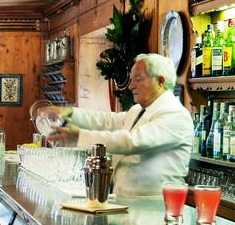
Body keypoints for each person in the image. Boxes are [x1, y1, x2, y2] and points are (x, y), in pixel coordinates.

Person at [47, 52, 192, 197]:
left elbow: (133, 142)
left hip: (155, 205)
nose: (131, 86)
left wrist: (80, 137)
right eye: (131, 79)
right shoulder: (138, 110)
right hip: (126, 201)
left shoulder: (175, 114)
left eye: (138, 79)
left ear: (160, 81)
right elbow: (106, 121)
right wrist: (70, 112)